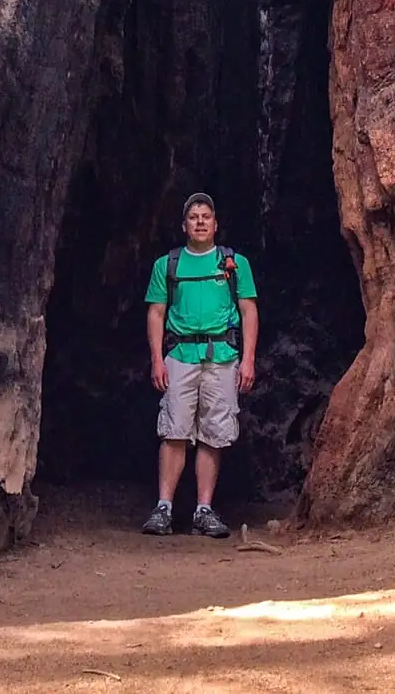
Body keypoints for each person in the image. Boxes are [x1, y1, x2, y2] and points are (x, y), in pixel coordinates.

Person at [140, 192, 258, 538]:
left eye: (206, 216)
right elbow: (156, 312)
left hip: (222, 356)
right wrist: (156, 359)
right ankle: (164, 508)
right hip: (180, 356)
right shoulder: (167, 265)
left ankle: (203, 510)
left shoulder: (235, 263)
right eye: (194, 217)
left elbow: (249, 310)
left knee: (213, 434)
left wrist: (248, 359)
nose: (201, 221)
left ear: (216, 224)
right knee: (174, 429)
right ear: (184, 225)